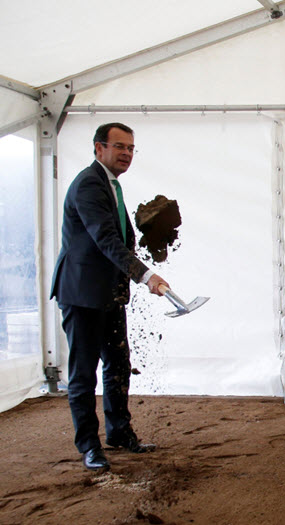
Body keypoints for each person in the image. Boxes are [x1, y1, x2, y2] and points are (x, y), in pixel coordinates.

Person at [50, 122, 169, 471]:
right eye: (120, 147)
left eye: (131, 148)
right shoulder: (89, 184)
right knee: (84, 373)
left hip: (109, 294)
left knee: (118, 365)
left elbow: (119, 237)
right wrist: (145, 274)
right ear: (99, 148)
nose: (127, 154)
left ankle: (119, 432)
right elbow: (105, 239)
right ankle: (89, 446)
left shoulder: (111, 185)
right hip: (82, 293)